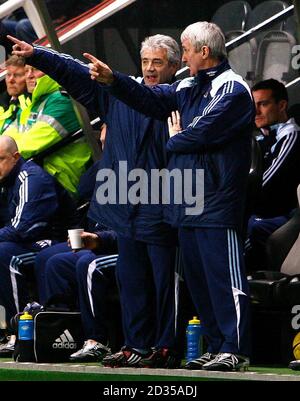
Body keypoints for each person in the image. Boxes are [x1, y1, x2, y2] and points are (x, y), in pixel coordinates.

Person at [71, 21, 254, 371]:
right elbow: (150, 100)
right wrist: (115, 81)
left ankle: (235, 349)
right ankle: (216, 347)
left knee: (225, 280)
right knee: (200, 284)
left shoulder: (233, 89)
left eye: (185, 50)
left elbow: (198, 134)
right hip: (187, 203)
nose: (182, 57)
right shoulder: (187, 85)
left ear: (203, 52)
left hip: (216, 203)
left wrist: (174, 140)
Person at [8, 33, 182, 368]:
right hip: (124, 202)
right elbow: (75, 72)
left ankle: (166, 346)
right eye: (145, 62)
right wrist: (38, 57)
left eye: (157, 63)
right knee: (131, 280)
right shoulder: (115, 94)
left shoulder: (180, 96)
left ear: (174, 66)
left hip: (164, 200)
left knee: (163, 283)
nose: (149, 69)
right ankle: (136, 345)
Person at [0, 135, 75, 356]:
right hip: (28, 241)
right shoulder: (6, 181)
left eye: (0, 158)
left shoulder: (31, 178)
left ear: (16, 157)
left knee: (5, 255)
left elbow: (20, 229)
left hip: (57, 240)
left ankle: (18, 332)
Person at [4, 63, 92, 196]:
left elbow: (28, 146)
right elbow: (7, 140)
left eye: (35, 69)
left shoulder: (62, 101)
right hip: (38, 179)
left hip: (62, 181)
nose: (29, 75)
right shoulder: (32, 105)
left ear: (51, 69)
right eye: (27, 70)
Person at [245, 79, 300, 271]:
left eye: (263, 104)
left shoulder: (291, 136)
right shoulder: (260, 138)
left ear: (282, 105)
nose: (256, 111)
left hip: (286, 215)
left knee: (248, 227)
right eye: (254, 105)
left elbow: (264, 182)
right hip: (261, 212)